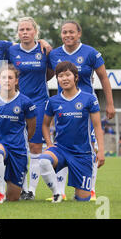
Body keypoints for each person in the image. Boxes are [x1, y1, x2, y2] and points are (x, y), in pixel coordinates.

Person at [47, 20, 115, 201]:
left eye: (71, 32)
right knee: (61, 143)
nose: (68, 35)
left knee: (89, 146)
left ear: (79, 34)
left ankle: (90, 188)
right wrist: (42, 45)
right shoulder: (54, 54)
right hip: (64, 107)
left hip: (86, 107)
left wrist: (110, 103)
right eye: (64, 32)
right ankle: (59, 192)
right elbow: (44, 74)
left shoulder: (90, 53)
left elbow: (104, 78)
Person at [41, 61, 105, 203]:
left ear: (76, 77)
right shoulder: (53, 101)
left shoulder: (89, 99)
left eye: (68, 75)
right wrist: (49, 144)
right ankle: (57, 193)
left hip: (82, 153)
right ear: (57, 79)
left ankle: (80, 193)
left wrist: (100, 151)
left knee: (83, 200)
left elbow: (97, 126)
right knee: (44, 160)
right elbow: (45, 125)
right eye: (60, 76)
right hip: (61, 150)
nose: (64, 79)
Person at [8, 17, 53, 200]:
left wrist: (45, 43)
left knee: (35, 145)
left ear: (35, 31)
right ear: (18, 33)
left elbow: (51, 72)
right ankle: (22, 188)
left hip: (40, 101)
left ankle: (32, 191)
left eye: (28, 29)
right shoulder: (11, 50)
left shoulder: (44, 49)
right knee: (19, 146)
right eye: (21, 30)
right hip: (17, 102)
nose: (25, 32)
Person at [0, 64, 37, 203]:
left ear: (16, 81)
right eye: (3, 77)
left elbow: (31, 128)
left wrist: (22, 141)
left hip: (18, 149)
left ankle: (9, 191)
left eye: (10, 77)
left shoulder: (26, 102)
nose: (7, 80)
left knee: (13, 197)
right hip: (0, 144)